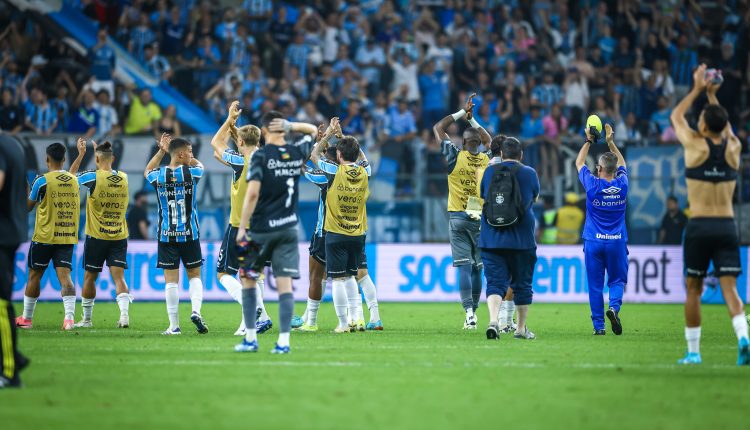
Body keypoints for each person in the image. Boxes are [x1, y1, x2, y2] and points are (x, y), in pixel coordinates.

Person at [669, 64, 748, 365]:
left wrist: (698, 89)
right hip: (727, 225)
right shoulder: (734, 149)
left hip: (700, 225)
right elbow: (725, 129)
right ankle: (743, 336)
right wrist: (713, 99)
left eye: (701, 118)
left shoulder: (694, 145)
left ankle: (693, 352)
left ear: (702, 126)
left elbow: (676, 117)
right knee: (730, 289)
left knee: (694, 288)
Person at [234, 112, 317, 354]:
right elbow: (312, 130)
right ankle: (283, 342)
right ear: (283, 127)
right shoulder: (295, 152)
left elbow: (251, 194)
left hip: (260, 230)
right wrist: (293, 125)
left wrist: (242, 228)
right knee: (284, 287)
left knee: (248, 281)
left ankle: (250, 338)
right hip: (289, 229)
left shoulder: (260, 156)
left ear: (265, 130)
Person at [309, 119, 381, 332]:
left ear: (339, 156)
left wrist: (329, 135)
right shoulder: (364, 173)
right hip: (358, 233)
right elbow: (362, 158)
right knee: (352, 276)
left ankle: (342, 323)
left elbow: (314, 155)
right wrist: (346, 141)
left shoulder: (333, 171)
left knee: (339, 279)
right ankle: (358, 318)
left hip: (336, 232)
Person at [210, 101, 271, 336]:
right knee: (253, 274)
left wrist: (229, 120)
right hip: (263, 226)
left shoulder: (240, 161)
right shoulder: (265, 160)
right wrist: (237, 132)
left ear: (241, 143)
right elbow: (222, 153)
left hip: (239, 225)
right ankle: (259, 319)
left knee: (224, 273)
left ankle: (254, 308)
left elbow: (216, 144)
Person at [433, 94, 490, 330]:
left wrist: (461, 113)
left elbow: (438, 127)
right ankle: (475, 310)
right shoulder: (487, 159)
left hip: (458, 216)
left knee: (464, 267)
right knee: (478, 268)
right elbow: (490, 140)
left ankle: (469, 314)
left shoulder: (454, 157)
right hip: (480, 216)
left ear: (464, 143)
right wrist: (473, 120)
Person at [144, 134, 208, 335]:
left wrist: (162, 151)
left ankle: (174, 326)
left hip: (166, 236)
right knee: (195, 276)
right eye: (189, 152)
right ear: (180, 154)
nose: (192, 155)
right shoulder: (191, 173)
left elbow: (147, 170)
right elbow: (202, 166)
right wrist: (189, 159)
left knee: (171, 281)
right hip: (190, 234)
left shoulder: (159, 175)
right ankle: (196, 311)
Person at [68, 139, 132, 328]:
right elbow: (108, 172)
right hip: (119, 235)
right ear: (113, 158)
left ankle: (87, 319)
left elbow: (69, 178)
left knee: (90, 277)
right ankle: (124, 316)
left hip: (97, 237)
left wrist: (81, 155)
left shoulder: (92, 177)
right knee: (119, 278)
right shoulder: (124, 177)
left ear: (97, 158)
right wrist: (99, 157)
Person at [15, 143, 80, 330]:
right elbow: (71, 175)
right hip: (66, 236)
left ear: (47, 159)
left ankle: (26, 319)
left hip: (44, 237)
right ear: (64, 159)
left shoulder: (41, 181)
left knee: (34, 276)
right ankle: (69, 319)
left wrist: (26, 189)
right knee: (66, 278)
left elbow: (27, 208)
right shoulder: (73, 180)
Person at [480, 136, 540, 340]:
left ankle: (493, 321)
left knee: (495, 283)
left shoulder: (489, 172)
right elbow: (535, 197)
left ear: (501, 154)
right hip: (521, 240)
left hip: (491, 238)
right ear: (521, 155)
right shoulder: (529, 173)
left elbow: (483, 198)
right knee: (522, 285)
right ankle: (521, 329)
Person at [575, 124, 628, 336]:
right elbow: (622, 162)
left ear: (598, 169)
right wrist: (611, 142)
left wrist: (589, 140)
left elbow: (579, 162)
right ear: (615, 171)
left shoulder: (592, 185)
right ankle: (614, 308)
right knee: (616, 280)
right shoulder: (623, 183)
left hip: (594, 242)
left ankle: (599, 327)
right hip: (616, 241)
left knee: (595, 286)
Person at [0, 134, 29, 388]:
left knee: (0, 304)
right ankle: (14, 359)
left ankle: (9, 371)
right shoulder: (13, 144)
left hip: (1, 236)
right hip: (12, 232)